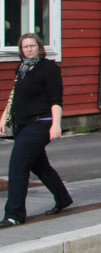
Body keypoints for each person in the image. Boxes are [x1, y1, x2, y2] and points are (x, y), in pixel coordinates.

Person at [1, 33, 73, 227]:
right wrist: (4, 117)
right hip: (21, 125)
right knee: (39, 165)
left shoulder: (49, 69)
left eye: (32, 46)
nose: (29, 49)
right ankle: (63, 197)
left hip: (40, 123)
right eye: (25, 47)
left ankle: (14, 215)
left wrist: (56, 124)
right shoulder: (22, 69)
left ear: (39, 47)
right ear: (21, 50)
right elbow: (15, 94)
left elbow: (56, 99)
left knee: (18, 166)